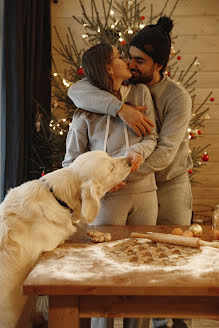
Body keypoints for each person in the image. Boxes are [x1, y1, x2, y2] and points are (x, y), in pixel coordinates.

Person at [67, 17, 192, 328]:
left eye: (139, 60)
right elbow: (78, 93)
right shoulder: (106, 98)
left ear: (158, 65)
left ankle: (173, 324)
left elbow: (162, 149)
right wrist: (119, 109)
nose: (131, 64)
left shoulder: (170, 96)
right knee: (106, 264)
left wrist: (123, 167)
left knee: (163, 262)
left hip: (165, 180)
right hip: (117, 190)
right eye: (127, 58)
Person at [63, 42, 158, 228]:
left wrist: (137, 151)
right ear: (108, 68)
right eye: (119, 57)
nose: (127, 61)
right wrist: (99, 184)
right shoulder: (85, 111)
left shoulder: (140, 93)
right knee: (104, 253)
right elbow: (70, 162)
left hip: (145, 192)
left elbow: (151, 137)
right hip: (106, 199)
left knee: (145, 250)